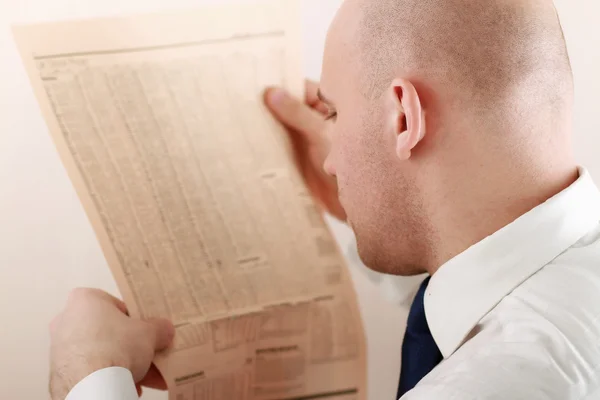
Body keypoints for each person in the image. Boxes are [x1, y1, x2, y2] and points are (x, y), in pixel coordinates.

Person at [50, 0, 600, 399]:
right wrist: (386, 202)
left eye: (333, 112)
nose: (330, 159)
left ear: (403, 117)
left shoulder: (495, 382)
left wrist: (91, 378)